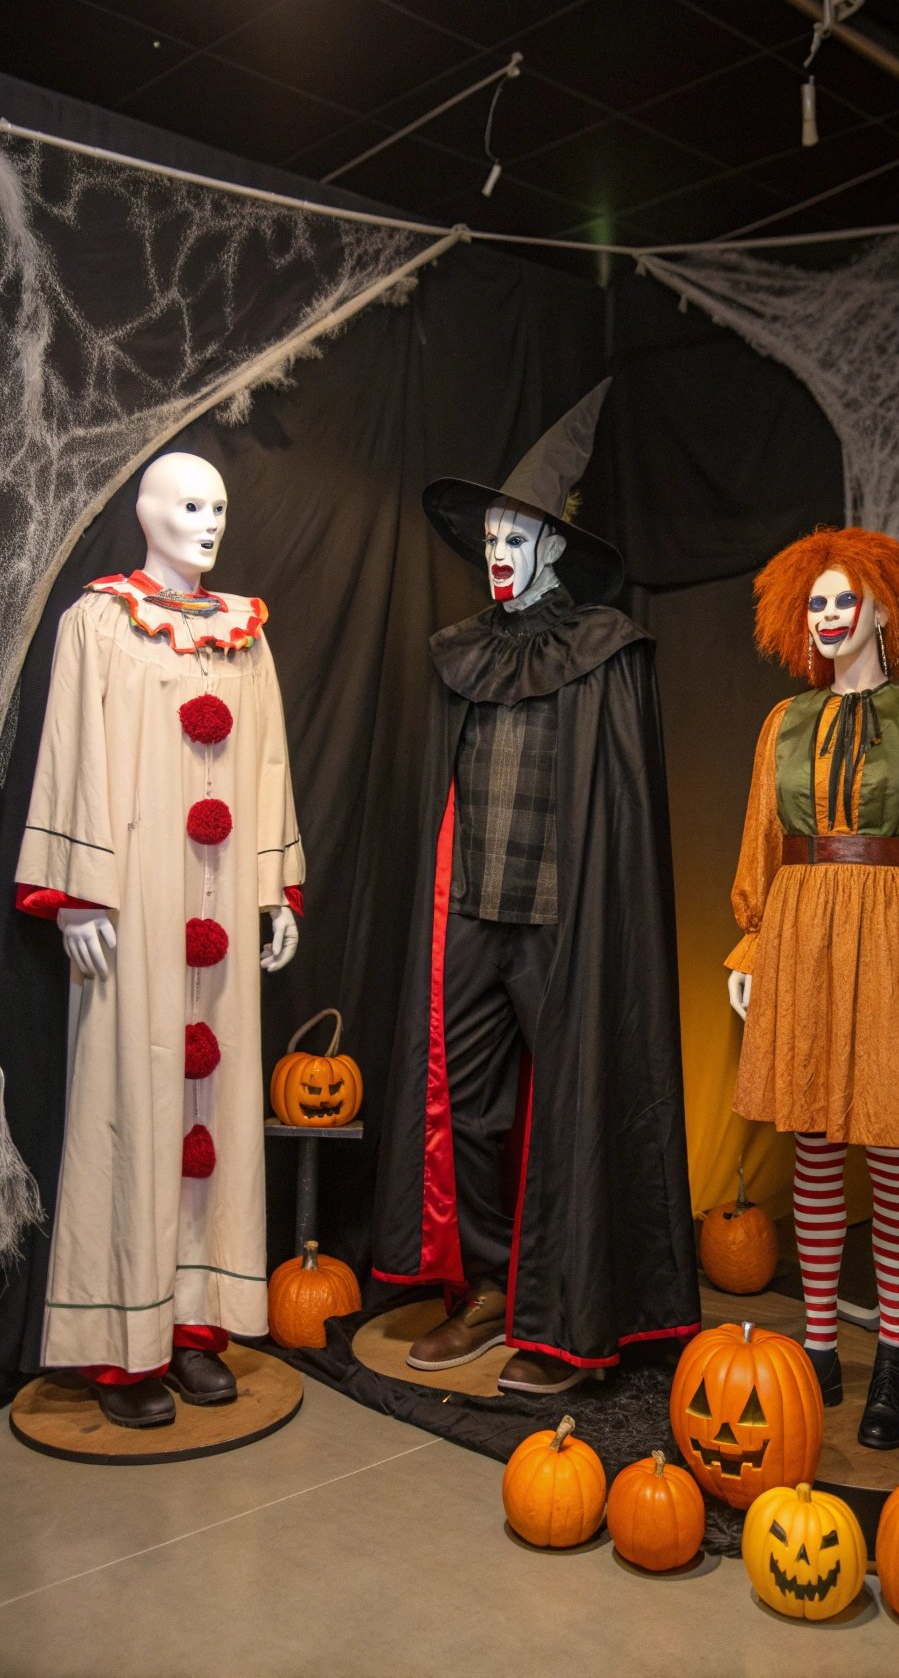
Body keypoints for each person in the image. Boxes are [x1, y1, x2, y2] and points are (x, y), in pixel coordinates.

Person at [373, 382, 699, 1394]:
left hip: (568, 919)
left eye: (518, 533)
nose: (500, 550)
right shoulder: (464, 650)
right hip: (472, 907)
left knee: (569, 1107)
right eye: (491, 535)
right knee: (466, 1111)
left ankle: (563, 1316)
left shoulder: (604, 651)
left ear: (555, 546)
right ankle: (476, 1290)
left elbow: (620, 810)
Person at [15, 452, 304, 1427]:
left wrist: (273, 889)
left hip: (221, 903)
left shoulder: (246, 638)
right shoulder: (97, 622)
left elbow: (263, 755)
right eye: (189, 502)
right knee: (128, 1105)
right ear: (147, 512)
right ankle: (119, 1343)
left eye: (219, 503)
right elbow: (70, 747)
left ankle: (193, 1326)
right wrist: (77, 893)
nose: (208, 520)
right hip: (133, 894)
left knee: (213, 1114)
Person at [726, 527, 899, 1450]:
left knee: (893, 1143)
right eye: (817, 602)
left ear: (885, 606)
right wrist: (752, 943)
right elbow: (762, 836)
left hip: (890, 926)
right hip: (801, 925)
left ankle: (890, 1358)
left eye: (845, 600)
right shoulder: (784, 722)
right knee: (810, 1137)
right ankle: (817, 1349)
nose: (830, 616)